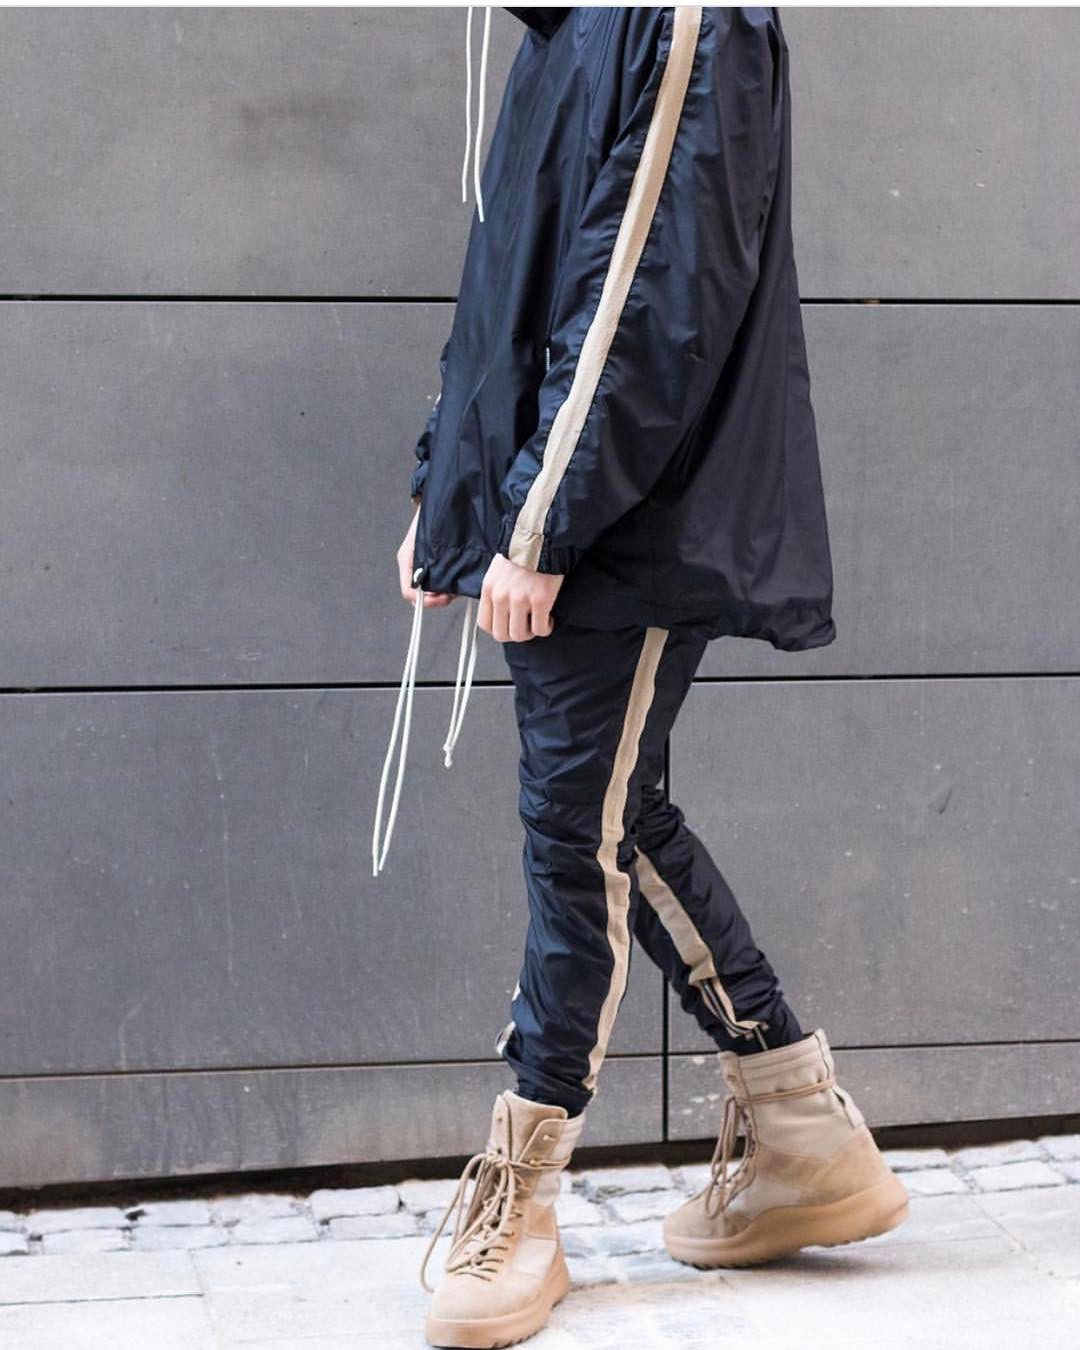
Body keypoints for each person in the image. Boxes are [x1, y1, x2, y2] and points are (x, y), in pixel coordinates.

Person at [375, 8, 909, 1347]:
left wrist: (538, 525)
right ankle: (801, 1130)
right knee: (617, 814)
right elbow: (509, 274)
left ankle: (525, 1195)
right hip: (570, 513)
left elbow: (646, 298)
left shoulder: (680, 17)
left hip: (619, 522)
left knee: (576, 829)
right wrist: (451, 492)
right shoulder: (560, 35)